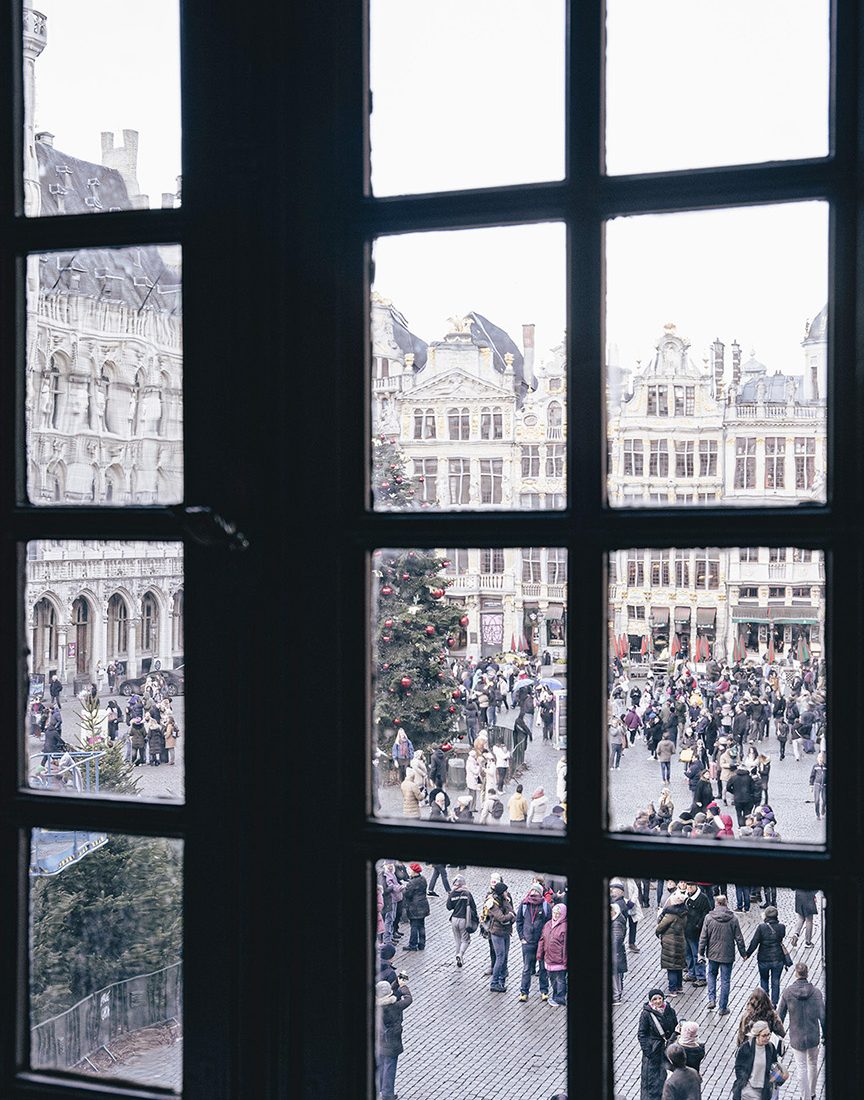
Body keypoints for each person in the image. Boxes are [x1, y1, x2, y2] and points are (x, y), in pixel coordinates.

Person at [778, 962, 825, 1100]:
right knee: (813, 1064)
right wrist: (825, 1035)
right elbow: (823, 1016)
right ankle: (812, 1092)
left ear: (796, 974)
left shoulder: (788, 993)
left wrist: (779, 1034)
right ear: (807, 973)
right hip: (812, 1035)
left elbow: (780, 1015)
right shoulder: (816, 993)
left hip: (797, 1036)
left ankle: (805, 1096)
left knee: (801, 1067)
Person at [698, 894, 746, 1016]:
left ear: (716, 903)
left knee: (712, 975)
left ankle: (711, 999)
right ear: (726, 903)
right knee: (725, 981)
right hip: (727, 954)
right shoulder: (733, 918)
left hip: (713, 953)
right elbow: (739, 938)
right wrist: (743, 953)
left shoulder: (709, 918)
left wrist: (700, 953)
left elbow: (703, 937)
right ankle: (723, 1007)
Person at [375, 976, 412, 1100]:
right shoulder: (394, 1007)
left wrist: (396, 982)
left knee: (381, 1064)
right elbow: (408, 999)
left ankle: (378, 1088)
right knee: (390, 1067)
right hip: (392, 1042)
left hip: (379, 1041)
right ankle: (387, 1093)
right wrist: (403, 986)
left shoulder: (376, 1006)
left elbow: (388, 993)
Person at [638, 988, 678, 1100]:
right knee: (651, 1082)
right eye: (654, 999)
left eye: (660, 998)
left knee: (665, 1078)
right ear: (650, 1001)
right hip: (653, 1052)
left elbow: (675, 1027)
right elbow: (642, 1034)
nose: (658, 1001)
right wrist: (648, 1051)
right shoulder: (646, 1014)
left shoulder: (670, 1011)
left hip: (666, 1050)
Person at [744, 906, 788, 1006]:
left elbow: (754, 942)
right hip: (778, 958)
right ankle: (774, 1003)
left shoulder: (761, 927)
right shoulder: (781, 927)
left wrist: (747, 954)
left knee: (764, 980)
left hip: (763, 959)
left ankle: (765, 1002)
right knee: (775, 982)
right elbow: (781, 937)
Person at [516, 883, 552, 1002]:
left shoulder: (546, 906)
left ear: (540, 893)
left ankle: (544, 991)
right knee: (527, 968)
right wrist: (522, 937)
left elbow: (549, 924)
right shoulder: (524, 904)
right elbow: (519, 921)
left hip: (541, 942)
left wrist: (545, 939)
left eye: (536, 891)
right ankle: (524, 992)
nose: (534, 893)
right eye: (533, 891)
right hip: (528, 942)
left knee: (543, 968)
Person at [731, 1020, 782, 1100]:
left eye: (769, 1034)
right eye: (764, 1035)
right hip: (748, 1090)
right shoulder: (746, 1048)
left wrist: (777, 1078)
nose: (767, 1037)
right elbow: (738, 1067)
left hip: (764, 1091)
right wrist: (743, 1081)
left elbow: (774, 1066)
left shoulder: (770, 1048)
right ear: (756, 1035)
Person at [655, 890, 687, 996]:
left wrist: (657, 932)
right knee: (679, 966)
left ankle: (672, 989)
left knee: (671, 967)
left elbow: (660, 927)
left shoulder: (670, 915)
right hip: (681, 943)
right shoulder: (684, 913)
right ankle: (679, 987)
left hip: (670, 944)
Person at [485, 880, 516, 992]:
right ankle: (494, 983)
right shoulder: (492, 903)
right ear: (501, 892)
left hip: (506, 932)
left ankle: (502, 980)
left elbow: (513, 913)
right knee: (500, 957)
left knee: (505, 957)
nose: (507, 893)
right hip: (497, 933)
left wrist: (510, 914)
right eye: (505, 891)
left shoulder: (505, 900)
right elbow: (501, 918)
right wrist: (510, 916)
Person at [537, 902, 567, 1006]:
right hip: (548, 958)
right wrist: (540, 954)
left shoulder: (565, 927)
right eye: (554, 913)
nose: (555, 915)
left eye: (558, 913)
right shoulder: (548, 924)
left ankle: (560, 998)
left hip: (559, 959)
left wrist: (565, 960)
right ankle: (556, 995)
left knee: (560, 980)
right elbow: (542, 940)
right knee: (553, 979)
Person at [682, 882, 711, 987]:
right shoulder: (687, 897)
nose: (689, 888)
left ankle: (701, 977)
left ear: (696, 886)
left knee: (698, 955)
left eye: (691, 886)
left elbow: (706, 914)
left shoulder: (702, 898)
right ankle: (691, 973)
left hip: (696, 933)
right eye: (688, 886)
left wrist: (698, 925)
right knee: (688, 954)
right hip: (686, 931)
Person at [446, 875, 478, 967]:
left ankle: (458, 959)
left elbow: (448, 907)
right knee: (466, 940)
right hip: (464, 919)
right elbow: (473, 906)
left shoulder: (452, 893)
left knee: (457, 940)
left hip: (454, 919)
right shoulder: (467, 893)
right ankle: (460, 954)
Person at [401, 863, 430, 951]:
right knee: (421, 926)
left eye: (410, 870)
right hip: (423, 905)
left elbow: (407, 894)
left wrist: (404, 889)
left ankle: (412, 945)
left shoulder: (412, 882)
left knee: (413, 925)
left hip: (414, 907)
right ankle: (422, 944)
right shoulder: (423, 879)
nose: (409, 872)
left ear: (414, 872)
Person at [610, 900, 628, 1004]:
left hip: (615, 954)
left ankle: (616, 996)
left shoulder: (616, 923)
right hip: (618, 954)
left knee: (615, 976)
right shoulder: (617, 920)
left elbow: (616, 940)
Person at [809, 753, 827, 820]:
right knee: (817, 800)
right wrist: (811, 785)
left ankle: (823, 809)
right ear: (817, 759)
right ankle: (817, 814)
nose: (820, 759)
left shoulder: (825, 767)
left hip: (824, 785)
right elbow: (812, 776)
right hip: (817, 785)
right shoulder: (815, 766)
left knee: (824, 799)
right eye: (819, 758)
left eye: (821, 758)